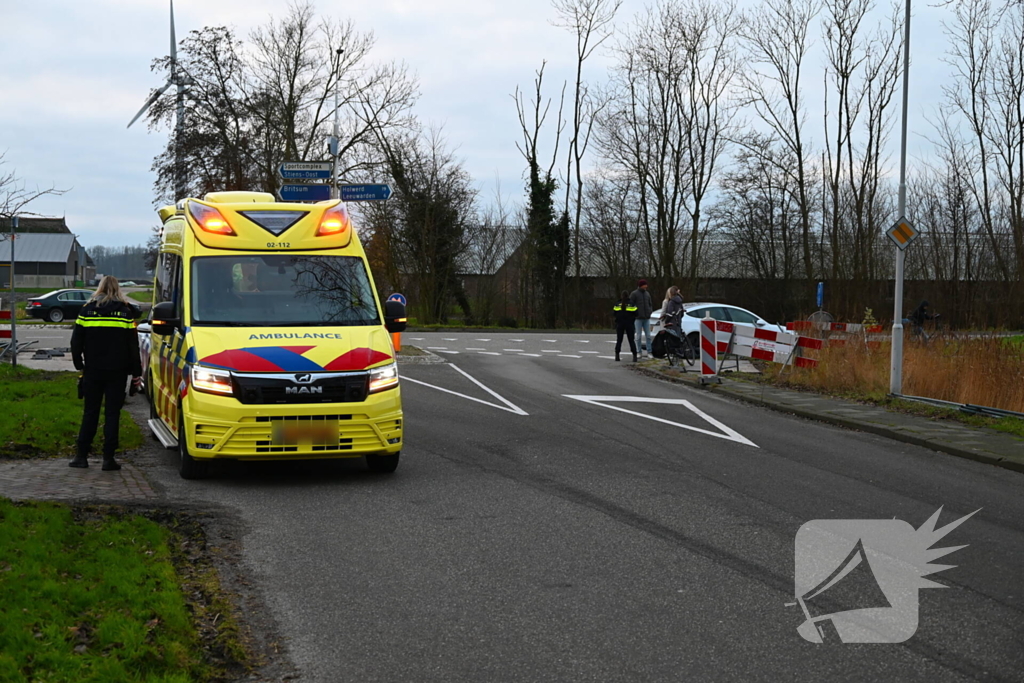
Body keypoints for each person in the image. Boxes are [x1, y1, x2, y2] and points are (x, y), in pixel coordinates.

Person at [70, 276, 142, 470]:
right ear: (117, 289)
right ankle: (108, 459)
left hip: (93, 370)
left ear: (99, 288)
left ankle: (81, 457)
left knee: (90, 412)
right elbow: (133, 346)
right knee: (112, 414)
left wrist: (80, 365)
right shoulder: (126, 314)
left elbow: (76, 341)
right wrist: (137, 372)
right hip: (117, 372)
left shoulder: (86, 311)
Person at [629, 279, 654, 357]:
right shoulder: (634, 294)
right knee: (638, 336)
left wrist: (650, 311)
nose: (646, 286)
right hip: (638, 318)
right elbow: (630, 305)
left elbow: (650, 304)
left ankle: (649, 352)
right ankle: (638, 351)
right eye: (645, 285)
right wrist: (634, 314)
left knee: (648, 336)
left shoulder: (647, 294)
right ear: (641, 285)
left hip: (646, 318)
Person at [612, 291, 639, 362]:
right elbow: (636, 313)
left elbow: (614, 313)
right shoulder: (632, 304)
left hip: (620, 324)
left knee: (619, 340)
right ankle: (634, 356)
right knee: (631, 340)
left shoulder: (617, 304)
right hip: (629, 324)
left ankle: (617, 355)